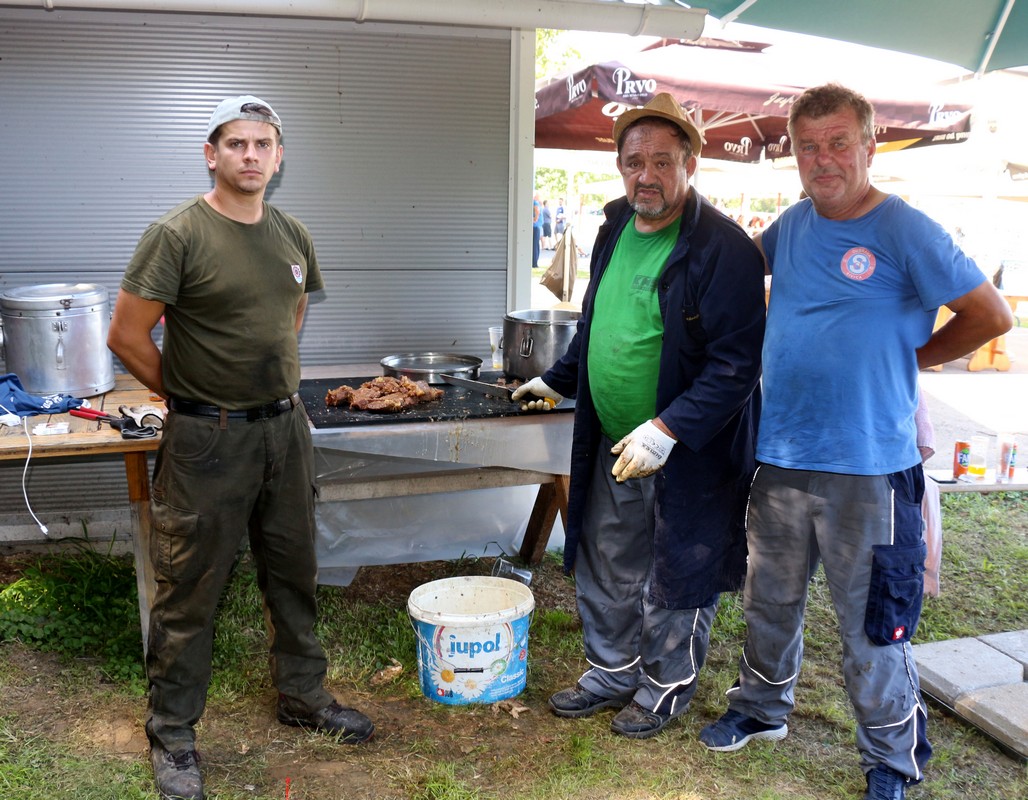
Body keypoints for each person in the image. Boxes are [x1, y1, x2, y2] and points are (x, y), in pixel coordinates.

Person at [698, 84, 1013, 800]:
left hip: (871, 468)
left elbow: (991, 315)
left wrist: (915, 357)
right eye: (808, 146)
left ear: (870, 145)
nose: (823, 159)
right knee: (769, 601)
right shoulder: (793, 225)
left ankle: (891, 760)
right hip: (781, 457)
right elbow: (741, 271)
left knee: (873, 625)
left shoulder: (906, 229)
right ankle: (761, 709)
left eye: (838, 143)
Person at [107, 95, 375, 800]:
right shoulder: (177, 235)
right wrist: (190, 395)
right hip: (208, 441)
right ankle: (172, 733)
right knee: (190, 588)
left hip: (284, 431)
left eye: (263, 144)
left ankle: (303, 696)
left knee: (294, 571)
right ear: (211, 154)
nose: (250, 155)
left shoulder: (292, 234)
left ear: (279, 158)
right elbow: (126, 336)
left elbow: (290, 315)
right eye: (235, 143)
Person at [512, 92, 765, 739]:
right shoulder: (615, 226)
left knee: (681, 568)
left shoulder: (724, 249)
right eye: (634, 162)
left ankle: (664, 687)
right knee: (606, 554)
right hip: (613, 440)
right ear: (620, 165)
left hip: (690, 449)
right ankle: (611, 671)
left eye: (662, 162)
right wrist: (556, 379)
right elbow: (599, 323)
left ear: (690, 164)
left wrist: (667, 429)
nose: (646, 175)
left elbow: (736, 365)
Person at [532, 192, 543, 269]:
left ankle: (534, 262)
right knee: (536, 244)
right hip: (537, 226)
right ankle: (534, 262)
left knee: (535, 245)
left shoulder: (535, 203)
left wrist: (534, 220)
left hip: (535, 226)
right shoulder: (536, 203)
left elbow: (537, 211)